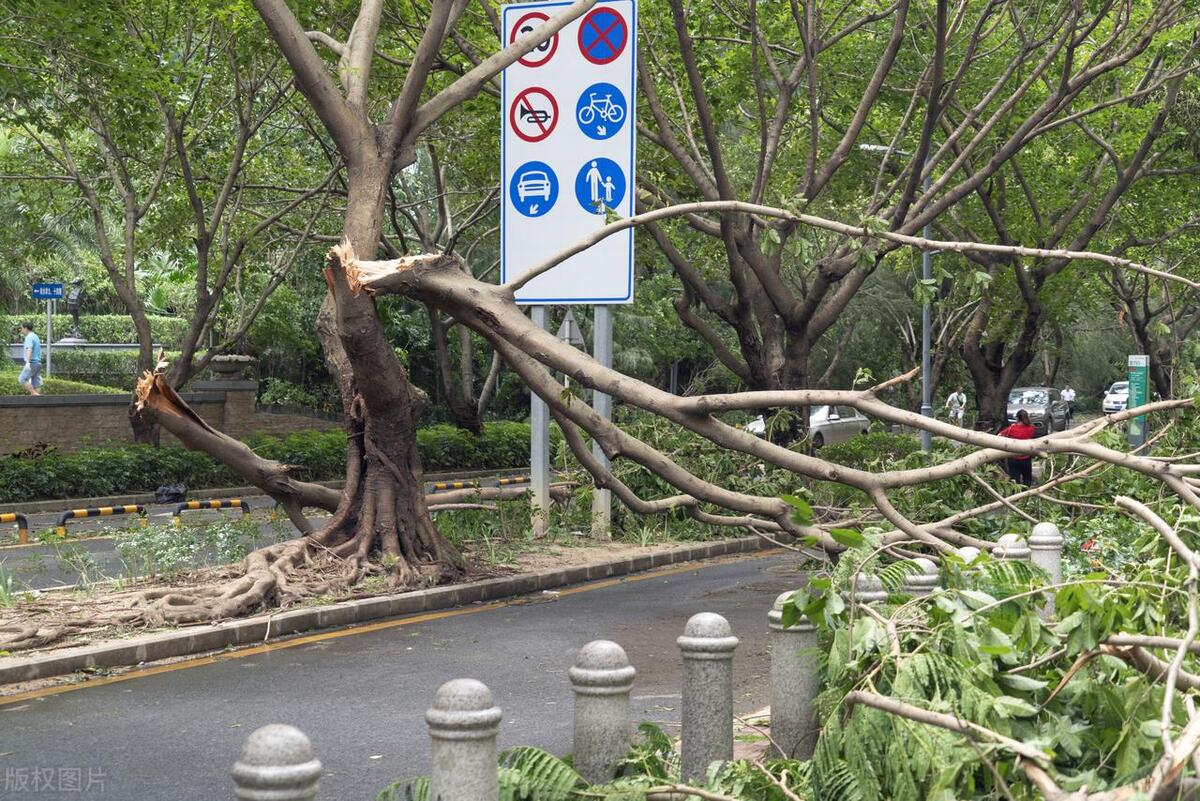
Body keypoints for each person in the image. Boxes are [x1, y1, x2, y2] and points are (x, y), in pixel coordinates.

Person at [998, 409, 1036, 486]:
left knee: (1015, 481)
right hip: (1026, 457)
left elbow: (999, 436)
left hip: (1013, 458)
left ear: (1017, 418)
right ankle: (1026, 495)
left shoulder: (1012, 429)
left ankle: (1016, 496)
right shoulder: (1031, 428)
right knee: (1027, 479)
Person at [18, 321, 42, 396]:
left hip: (32, 363)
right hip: (37, 363)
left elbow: (29, 349)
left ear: (26, 328)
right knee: (36, 383)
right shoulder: (35, 336)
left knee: (22, 379)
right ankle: (37, 400)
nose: (21, 330)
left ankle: (34, 393)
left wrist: (27, 362)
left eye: (21, 328)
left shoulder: (29, 337)